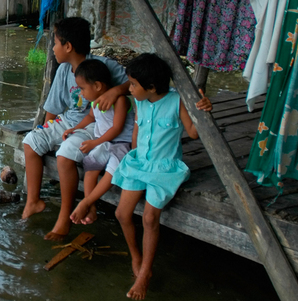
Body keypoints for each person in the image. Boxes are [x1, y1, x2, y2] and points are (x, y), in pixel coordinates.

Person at [110, 53, 212, 300]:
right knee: (122, 213)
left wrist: (204, 110)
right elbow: (137, 130)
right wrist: (134, 155)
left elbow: (194, 133)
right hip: (140, 162)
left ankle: (145, 273)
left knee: (149, 218)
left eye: (133, 84)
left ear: (152, 87)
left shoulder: (177, 102)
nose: (130, 88)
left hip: (164, 168)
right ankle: (136, 256)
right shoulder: (140, 101)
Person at [21, 17, 130, 241]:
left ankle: (64, 218)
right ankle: (33, 201)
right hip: (68, 122)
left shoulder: (103, 66)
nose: (53, 47)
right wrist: (45, 133)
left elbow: (133, 81)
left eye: (55, 42)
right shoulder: (62, 70)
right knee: (30, 142)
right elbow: (52, 108)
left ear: (68, 46)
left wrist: (116, 91)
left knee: (64, 156)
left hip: (92, 126)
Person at [65, 59, 134, 225]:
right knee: (90, 166)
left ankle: (87, 202)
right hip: (104, 143)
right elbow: (90, 117)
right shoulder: (95, 101)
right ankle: (92, 208)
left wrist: (95, 143)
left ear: (97, 86)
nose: (80, 93)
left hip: (122, 143)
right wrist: (74, 129)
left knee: (113, 170)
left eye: (82, 88)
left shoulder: (120, 100)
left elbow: (117, 129)